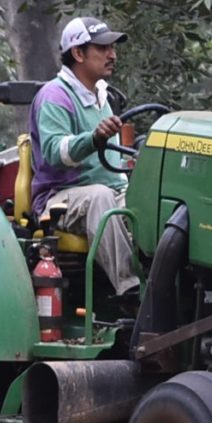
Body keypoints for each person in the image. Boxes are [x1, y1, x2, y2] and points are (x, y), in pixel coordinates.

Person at [31, 16, 139, 296]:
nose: (112, 55)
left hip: (112, 191)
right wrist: (93, 138)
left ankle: (171, 285)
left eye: (113, 48)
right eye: (102, 48)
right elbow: (55, 152)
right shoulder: (55, 96)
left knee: (155, 201)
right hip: (62, 197)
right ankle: (132, 292)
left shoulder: (103, 96)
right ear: (78, 53)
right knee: (100, 197)